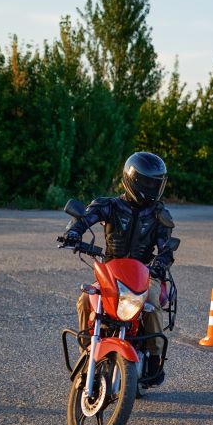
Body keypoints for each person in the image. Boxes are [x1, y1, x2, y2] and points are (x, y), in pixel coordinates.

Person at [62, 151, 178, 388]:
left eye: (156, 183)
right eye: (148, 182)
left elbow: (166, 246)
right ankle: (88, 347)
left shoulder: (158, 214)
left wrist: (161, 262)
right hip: (111, 271)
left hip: (145, 272)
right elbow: (85, 218)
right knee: (85, 299)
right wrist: (74, 232)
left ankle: (155, 358)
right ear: (132, 180)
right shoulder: (110, 206)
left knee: (151, 302)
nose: (153, 188)